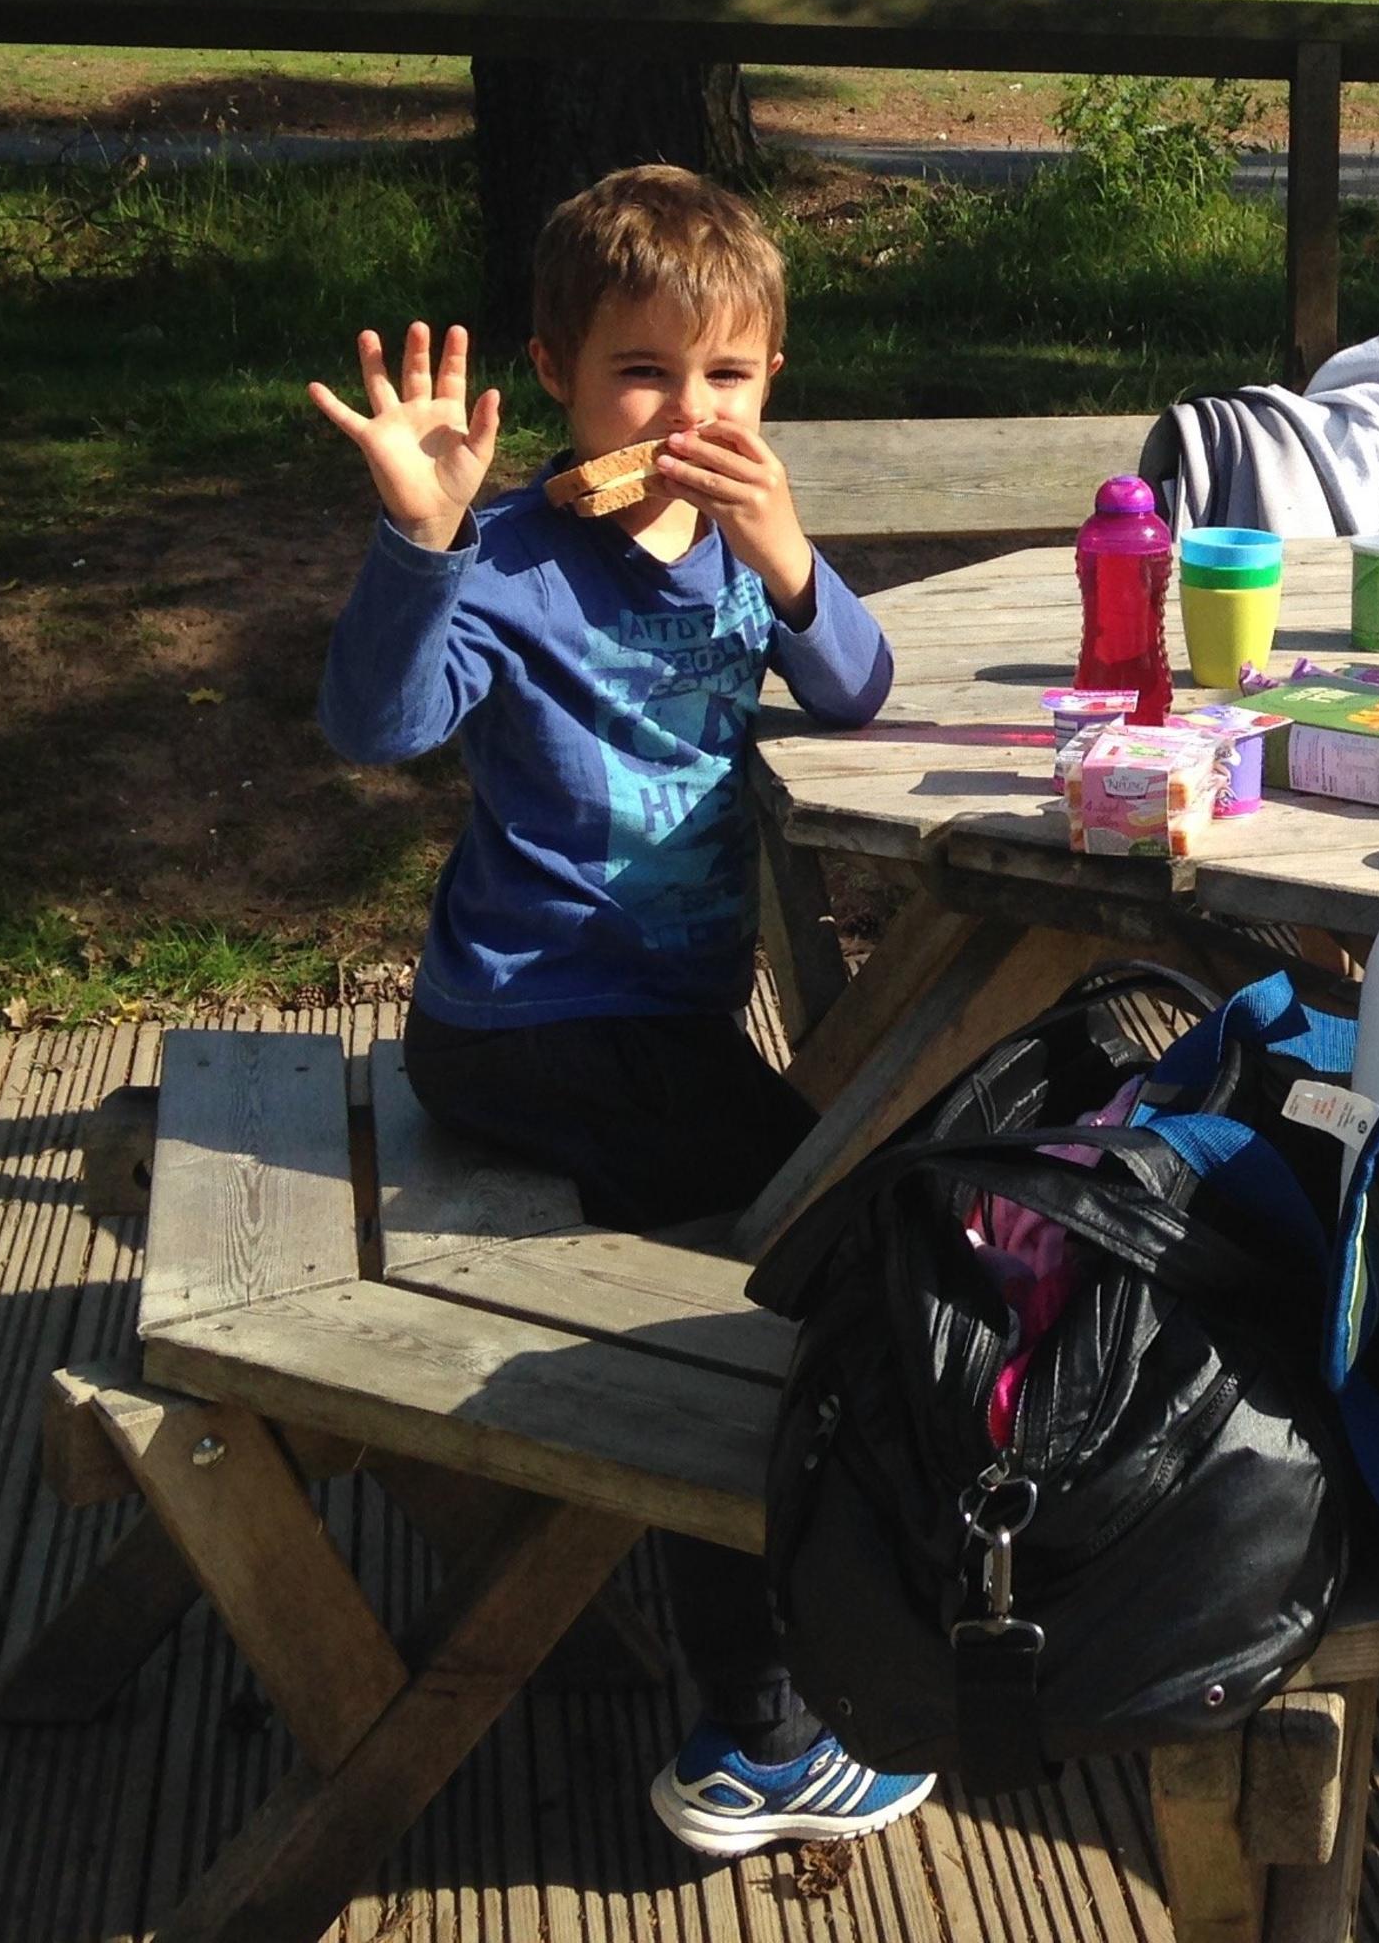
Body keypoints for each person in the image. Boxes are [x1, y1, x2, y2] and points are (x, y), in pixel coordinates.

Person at [309, 164, 928, 1862]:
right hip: (523, 1020)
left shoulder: (740, 549)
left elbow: (860, 689)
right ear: (559, 377)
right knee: (795, 1261)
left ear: (769, 388)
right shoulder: (508, 561)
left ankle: (812, 1652)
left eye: (724, 376)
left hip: (660, 1033)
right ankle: (758, 1737)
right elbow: (373, 725)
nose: (686, 408)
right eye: (643, 373)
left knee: (800, 1236)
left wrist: (791, 555)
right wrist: (420, 539)